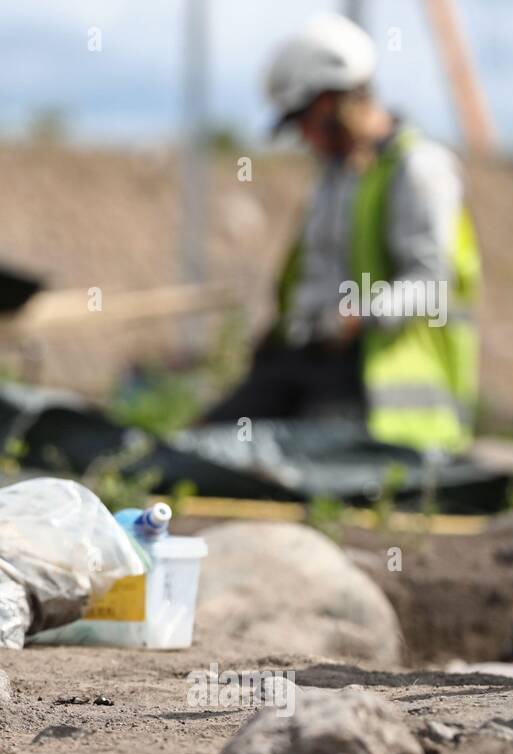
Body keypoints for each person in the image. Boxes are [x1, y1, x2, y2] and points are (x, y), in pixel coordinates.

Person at [204, 13, 482, 454]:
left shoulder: (418, 168)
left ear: (333, 102)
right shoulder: (336, 179)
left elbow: (432, 282)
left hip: (373, 379)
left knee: (295, 456)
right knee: (208, 443)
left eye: (303, 120)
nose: (302, 135)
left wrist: (357, 315)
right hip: (309, 357)